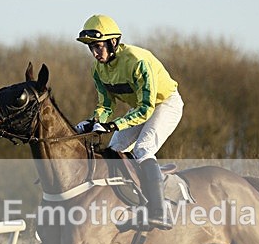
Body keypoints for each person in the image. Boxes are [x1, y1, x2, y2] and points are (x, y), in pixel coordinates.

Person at [75, 14, 184, 230]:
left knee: (143, 149)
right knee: (114, 151)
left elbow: (146, 109)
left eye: (98, 46)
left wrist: (113, 125)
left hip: (165, 104)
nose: (95, 53)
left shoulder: (137, 61)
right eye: (91, 48)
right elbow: (106, 106)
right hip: (141, 108)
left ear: (112, 42)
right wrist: (94, 121)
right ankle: (131, 206)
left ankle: (159, 211)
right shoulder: (98, 70)